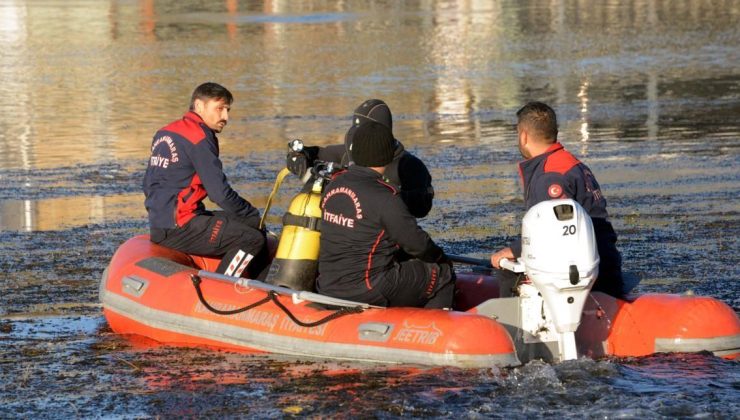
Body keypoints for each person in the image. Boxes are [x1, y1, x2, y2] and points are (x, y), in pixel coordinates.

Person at [490, 101, 624, 297]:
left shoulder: (549, 175)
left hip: (589, 273)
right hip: (604, 260)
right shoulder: (570, 162)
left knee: (507, 271)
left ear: (523, 136)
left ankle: (509, 325)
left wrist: (513, 250)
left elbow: (553, 231)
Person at [317, 121, 455, 308]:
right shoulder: (386, 197)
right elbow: (418, 244)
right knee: (442, 273)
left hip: (327, 285)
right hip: (368, 288)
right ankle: (434, 331)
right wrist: (440, 257)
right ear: (388, 154)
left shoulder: (334, 185)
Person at [143, 82, 269, 279]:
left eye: (227, 110)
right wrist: (250, 213)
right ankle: (221, 289)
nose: (225, 117)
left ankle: (261, 290)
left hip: (161, 222)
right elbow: (219, 193)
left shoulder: (166, 132)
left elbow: (148, 184)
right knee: (252, 239)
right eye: (219, 109)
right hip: (179, 226)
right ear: (199, 106)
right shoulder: (199, 137)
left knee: (254, 227)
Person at [286, 99, 434, 218]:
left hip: (384, 241)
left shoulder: (408, 166)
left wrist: (383, 196)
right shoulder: (348, 152)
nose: (357, 139)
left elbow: (421, 208)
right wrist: (298, 155)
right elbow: (316, 153)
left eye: (362, 133)